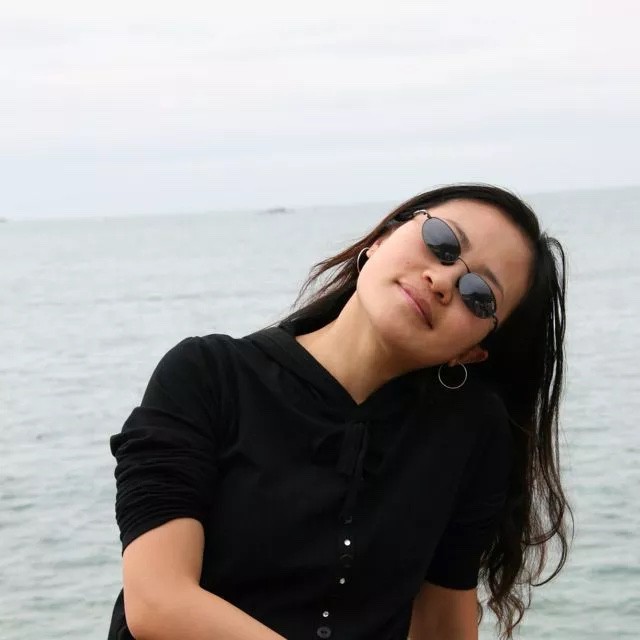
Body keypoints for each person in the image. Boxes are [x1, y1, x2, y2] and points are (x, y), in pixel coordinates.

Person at [107, 184, 572, 640]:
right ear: (382, 239)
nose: (444, 280)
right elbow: (158, 603)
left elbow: (440, 626)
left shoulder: (470, 432)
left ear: (471, 352)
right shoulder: (207, 374)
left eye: (479, 295)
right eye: (442, 242)